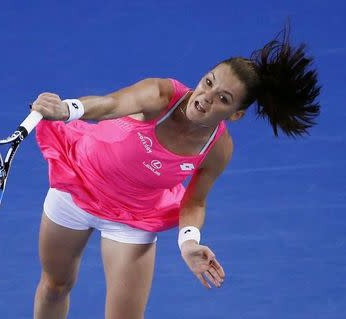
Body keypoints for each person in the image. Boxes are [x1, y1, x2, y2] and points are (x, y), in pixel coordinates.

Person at [31, 26, 320, 319]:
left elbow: (195, 201)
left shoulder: (218, 148)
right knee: (56, 285)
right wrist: (67, 109)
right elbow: (111, 105)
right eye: (208, 82)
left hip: (134, 218)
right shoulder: (161, 94)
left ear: (235, 115)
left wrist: (189, 241)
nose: (206, 97)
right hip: (78, 184)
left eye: (223, 99)